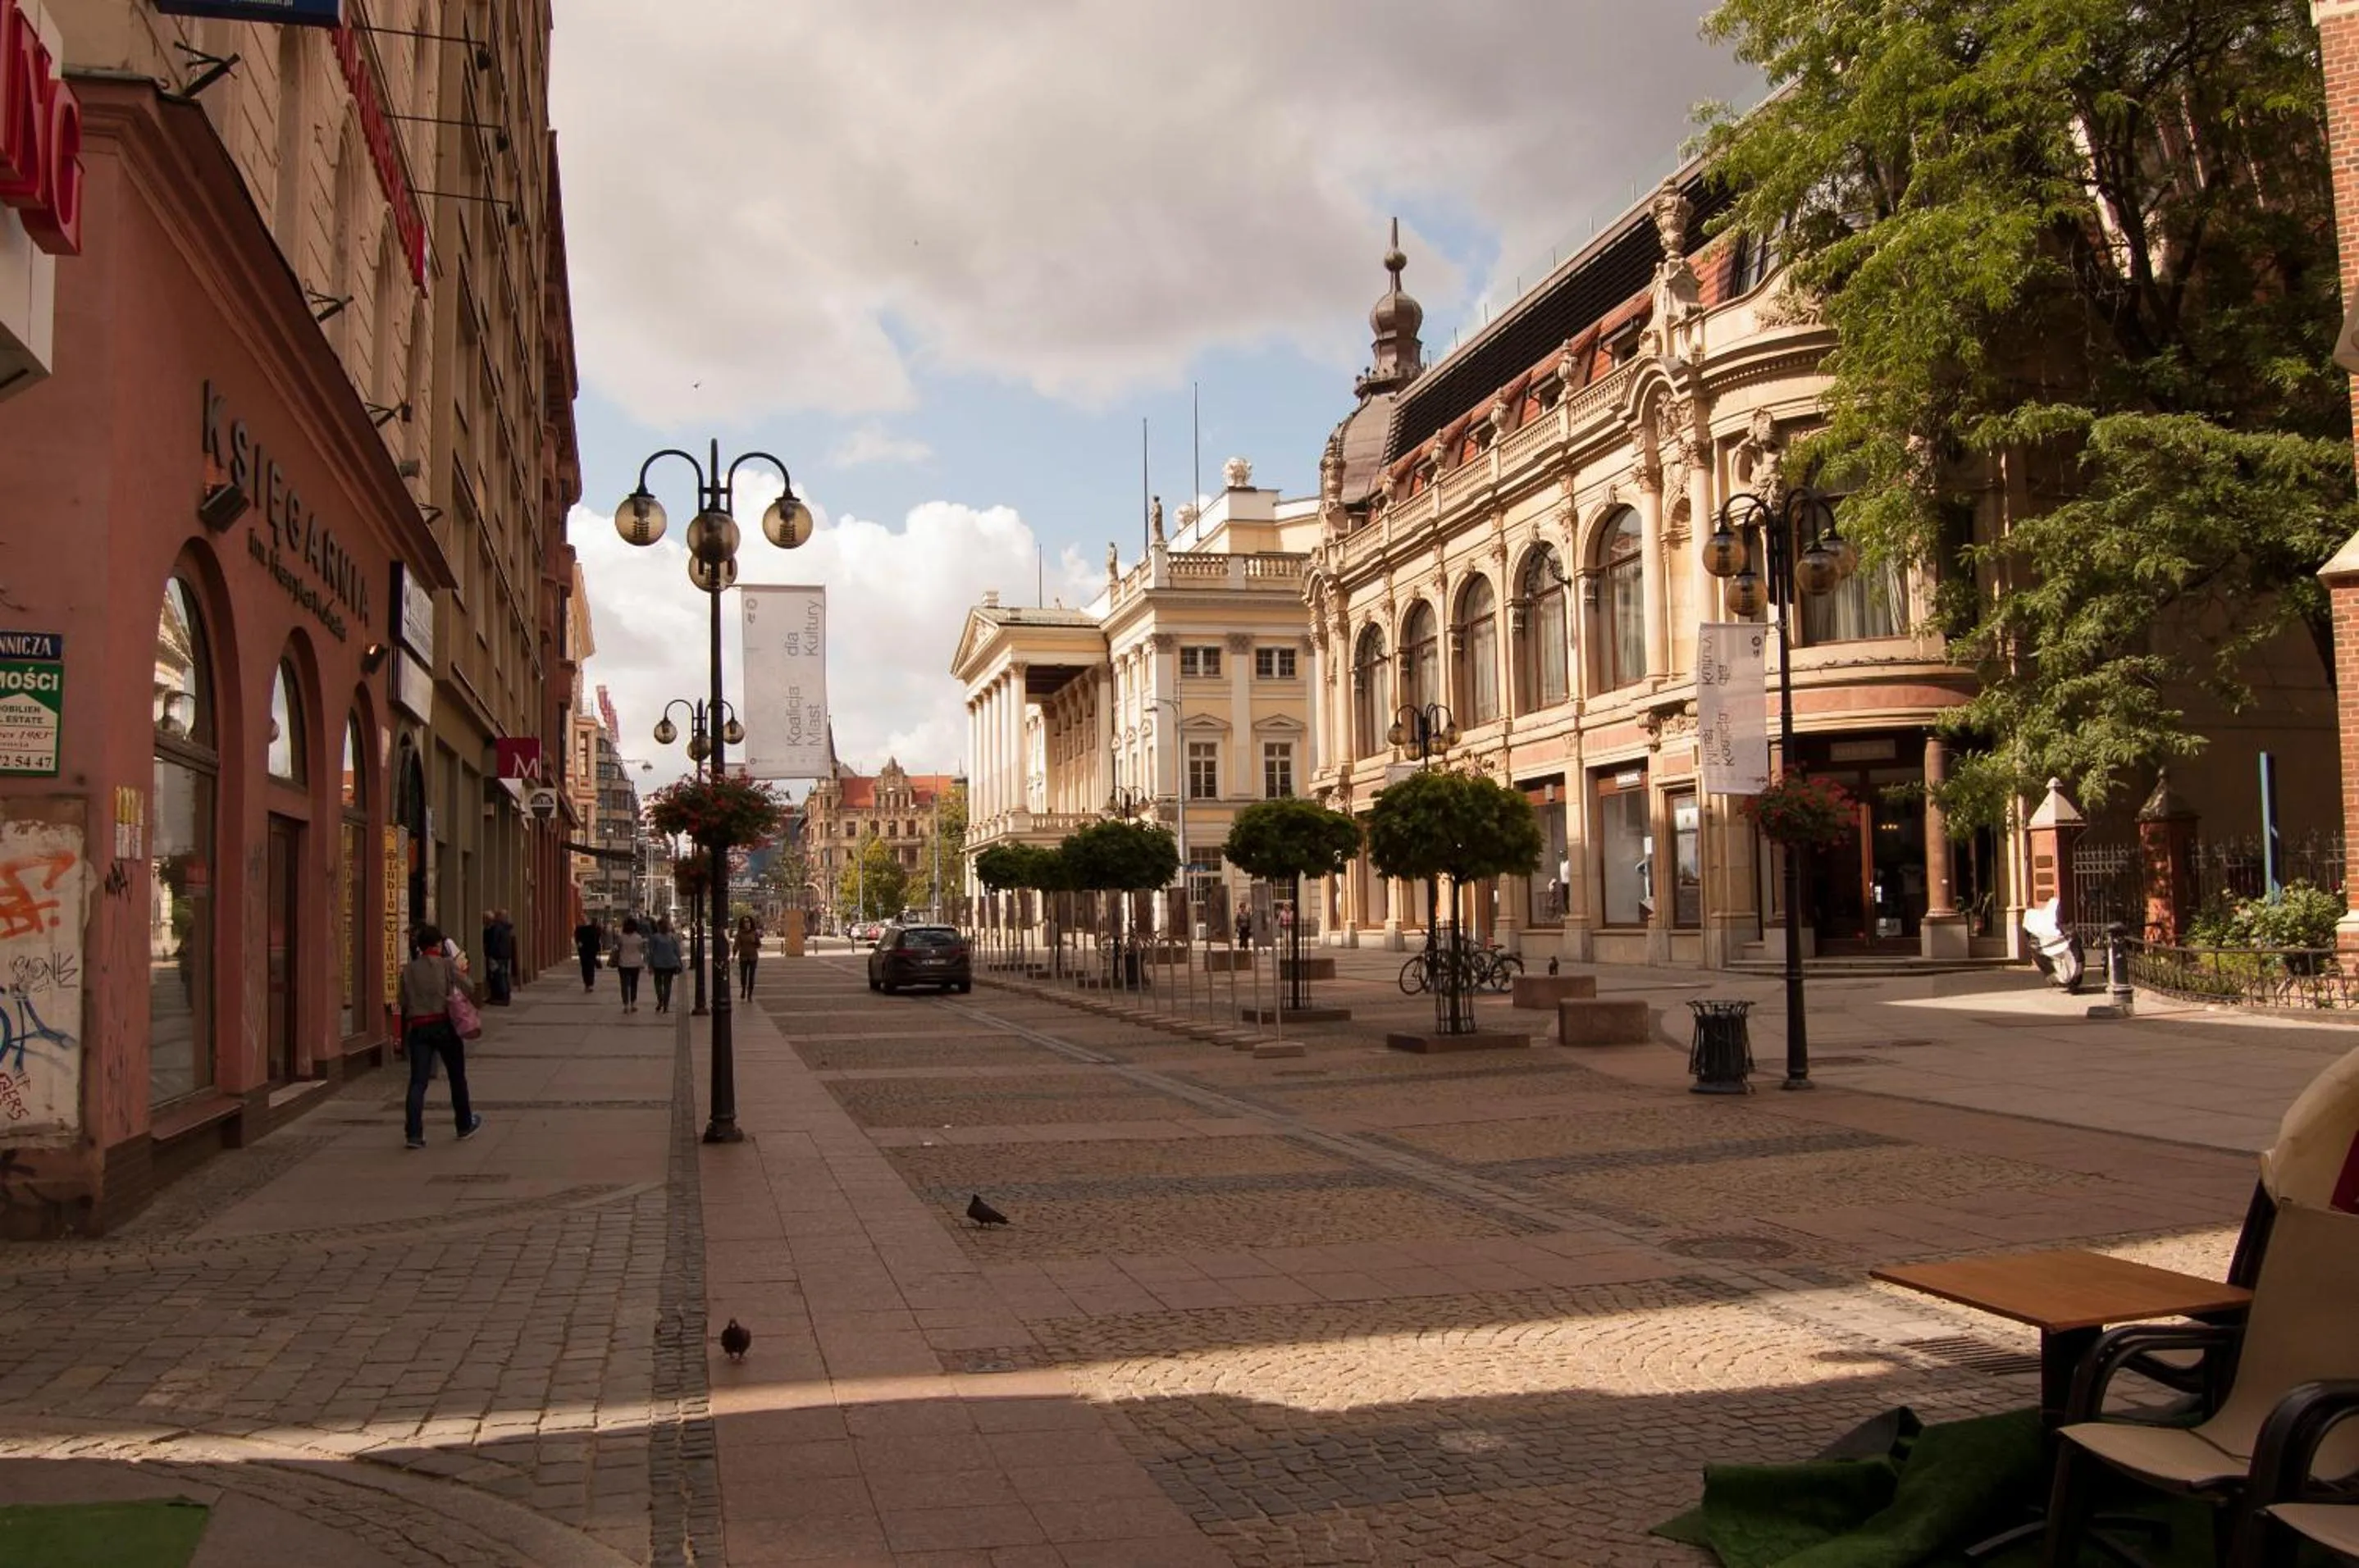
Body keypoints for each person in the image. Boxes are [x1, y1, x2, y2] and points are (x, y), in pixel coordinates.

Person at [399, 923, 481, 1149]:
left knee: (418, 1081)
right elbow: (469, 986)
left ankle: (414, 1133)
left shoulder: (408, 970)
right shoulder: (446, 965)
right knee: (456, 1076)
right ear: (437, 944)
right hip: (444, 1025)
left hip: (418, 1028)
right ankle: (464, 1124)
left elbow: (402, 1002)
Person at [647, 917, 684, 1014]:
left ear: (658, 927)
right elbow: (677, 952)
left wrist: (650, 965)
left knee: (658, 983)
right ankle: (666, 1005)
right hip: (670, 963)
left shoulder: (654, 937)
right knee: (668, 985)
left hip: (658, 964)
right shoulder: (673, 937)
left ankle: (660, 1000)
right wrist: (680, 963)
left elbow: (651, 952)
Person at [482, 909, 515, 1005]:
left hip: (498, 955)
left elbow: (494, 942)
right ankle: (504, 996)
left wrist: (490, 954)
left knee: (499, 976)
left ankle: (502, 997)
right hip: (504, 955)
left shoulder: (497, 928)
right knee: (503, 976)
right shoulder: (506, 928)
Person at [614, 915, 646, 1013]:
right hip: (635, 964)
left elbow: (617, 948)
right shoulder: (638, 937)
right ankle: (633, 1003)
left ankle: (626, 1004)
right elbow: (641, 950)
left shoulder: (621, 937)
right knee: (633, 984)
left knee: (624, 985)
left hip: (623, 963)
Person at [734, 914, 762, 1001]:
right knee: (743, 976)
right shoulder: (740, 933)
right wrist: (733, 955)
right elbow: (736, 945)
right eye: (745, 922)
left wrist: (755, 942)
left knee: (751, 976)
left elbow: (759, 945)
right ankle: (743, 989)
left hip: (753, 957)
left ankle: (749, 994)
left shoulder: (754, 933)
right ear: (743, 924)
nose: (747, 923)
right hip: (743, 957)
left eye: (748, 922)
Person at [573, 918, 602, 991]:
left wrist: (580, 945)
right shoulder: (593, 929)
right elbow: (597, 939)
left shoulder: (580, 929)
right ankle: (589, 984)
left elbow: (577, 940)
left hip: (584, 951)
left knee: (585, 968)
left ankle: (588, 984)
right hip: (591, 951)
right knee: (590, 968)